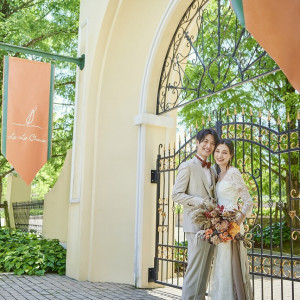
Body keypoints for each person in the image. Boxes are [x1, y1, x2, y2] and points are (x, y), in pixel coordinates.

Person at [172, 128, 219, 300]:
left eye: (212, 143)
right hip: (195, 225)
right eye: (205, 141)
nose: (209, 146)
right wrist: (199, 201)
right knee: (194, 271)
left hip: (211, 227)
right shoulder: (187, 166)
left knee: (204, 271)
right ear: (197, 142)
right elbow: (176, 194)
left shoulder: (212, 170)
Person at [209, 139, 253, 300]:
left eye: (224, 152)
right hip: (220, 227)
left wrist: (235, 226)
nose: (220, 155)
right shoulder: (217, 173)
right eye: (218, 151)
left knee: (230, 268)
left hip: (231, 228)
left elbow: (248, 202)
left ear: (231, 155)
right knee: (221, 268)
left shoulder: (233, 173)